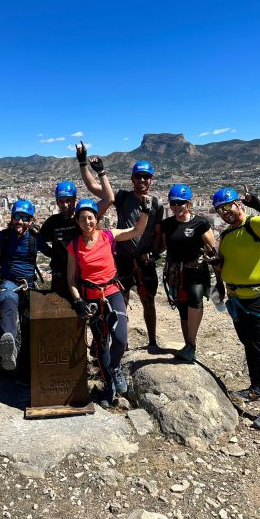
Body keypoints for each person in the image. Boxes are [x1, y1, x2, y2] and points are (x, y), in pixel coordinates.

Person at [212, 186, 260, 431]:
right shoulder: (225, 236)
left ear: (239, 205)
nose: (225, 212)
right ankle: (256, 388)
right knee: (249, 345)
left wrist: (259, 204)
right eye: (220, 209)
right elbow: (224, 264)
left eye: (229, 206)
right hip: (238, 299)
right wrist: (217, 271)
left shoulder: (255, 224)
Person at [78, 143, 163, 350]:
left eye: (146, 176)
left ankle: (152, 341)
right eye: (138, 176)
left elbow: (160, 235)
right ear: (132, 179)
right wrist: (83, 163)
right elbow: (93, 187)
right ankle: (119, 343)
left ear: (151, 180)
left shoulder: (157, 205)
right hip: (122, 259)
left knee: (148, 301)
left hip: (145, 259)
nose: (142, 180)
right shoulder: (123, 197)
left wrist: (155, 254)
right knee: (119, 302)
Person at [67, 196, 150, 407]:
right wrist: (78, 301)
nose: (87, 222)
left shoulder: (108, 236)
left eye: (91, 217)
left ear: (97, 218)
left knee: (120, 337)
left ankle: (115, 367)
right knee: (102, 345)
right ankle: (108, 388)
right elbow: (71, 279)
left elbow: (135, 231)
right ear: (77, 221)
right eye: (83, 218)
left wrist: (146, 212)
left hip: (112, 292)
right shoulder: (74, 246)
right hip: (91, 298)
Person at [0, 199, 51, 373]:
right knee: (8, 301)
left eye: (24, 218)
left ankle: (24, 370)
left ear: (30, 221)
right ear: (12, 218)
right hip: (9, 283)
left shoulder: (35, 239)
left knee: (29, 329)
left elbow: (54, 254)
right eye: (16, 217)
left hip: (29, 285)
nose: (19, 221)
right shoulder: (4, 236)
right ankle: (9, 343)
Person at [160, 184, 219, 363]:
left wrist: (220, 279)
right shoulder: (167, 224)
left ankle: (191, 345)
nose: (177, 207)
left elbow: (212, 250)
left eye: (181, 203)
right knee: (182, 307)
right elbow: (163, 246)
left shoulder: (200, 223)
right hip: (175, 272)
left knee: (195, 301)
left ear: (188, 203)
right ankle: (188, 344)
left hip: (195, 270)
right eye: (173, 203)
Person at [39, 165, 113, 301]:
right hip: (60, 274)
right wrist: (52, 254)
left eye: (68, 201)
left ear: (75, 200)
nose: (65, 205)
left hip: (83, 274)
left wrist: (100, 172)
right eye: (61, 201)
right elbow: (39, 240)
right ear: (56, 202)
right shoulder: (52, 222)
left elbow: (109, 199)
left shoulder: (82, 219)